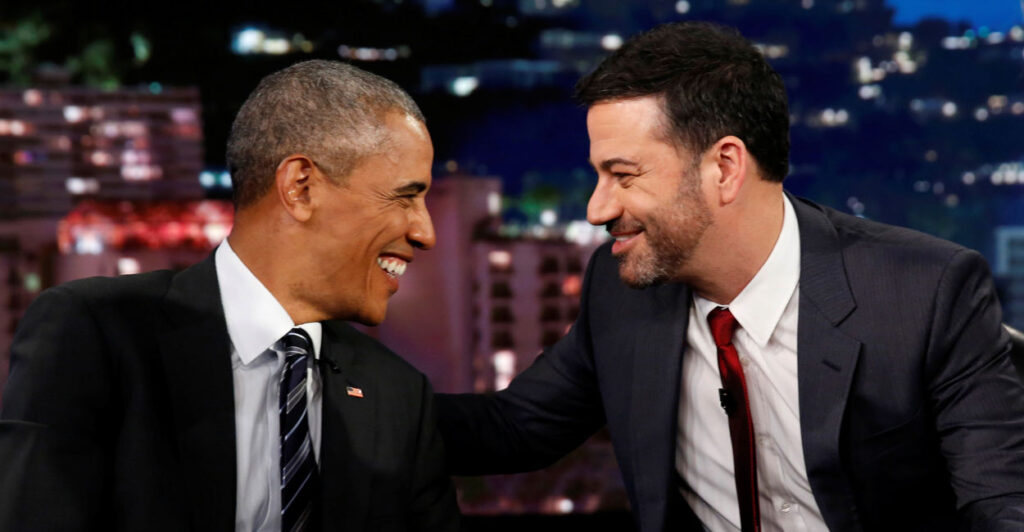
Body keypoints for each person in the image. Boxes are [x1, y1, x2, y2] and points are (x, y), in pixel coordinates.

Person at [437, 21, 1024, 531]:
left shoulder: (925, 292)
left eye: (623, 174)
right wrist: (348, 396)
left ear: (724, 167)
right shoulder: (618, 290)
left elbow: (1001, 505)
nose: (597, 209)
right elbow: (511, 429)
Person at [0, 60, 459, 532]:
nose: (426, 233)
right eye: (405, 197)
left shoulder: (399, 393)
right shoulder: (95, 332)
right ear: (300, 187)